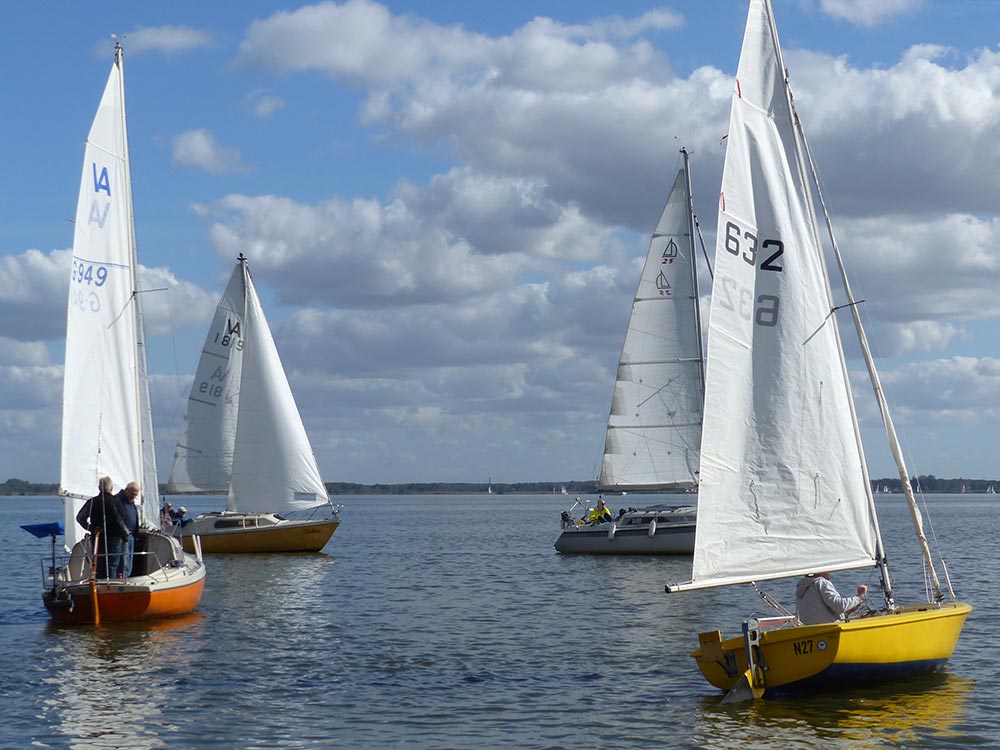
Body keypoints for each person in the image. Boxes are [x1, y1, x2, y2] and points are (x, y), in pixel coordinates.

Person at [75, 476, 129, 580]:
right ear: (111, 488)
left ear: (99, 488)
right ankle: (110, 588)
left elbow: (80, 517)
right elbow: (120, 520)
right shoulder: (116, 502)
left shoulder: (92, 502)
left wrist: (91, 528)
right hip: (114, 539)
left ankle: (99, 586)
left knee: (99, 566)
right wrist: (126, 535)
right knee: (112, 566)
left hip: (97, 539)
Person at [795, 572, 868, 625]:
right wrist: (860, 597)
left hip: (812, 632)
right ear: (820, 571)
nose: (829, 572)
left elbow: (820, 615)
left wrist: (849, 610)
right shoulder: (821, 583)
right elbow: (840, 606)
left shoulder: (801, 586)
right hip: (830, 632)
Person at [115, 482, 140, 578]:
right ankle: (122, 578)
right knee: (123, 563)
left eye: (135, 495)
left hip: (131, 536)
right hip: (122, 536)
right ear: (126, 490)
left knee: (129, 563)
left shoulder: (131, 503)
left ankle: (127, 577)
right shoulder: (118, 501)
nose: (133, 497)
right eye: (132, 494)